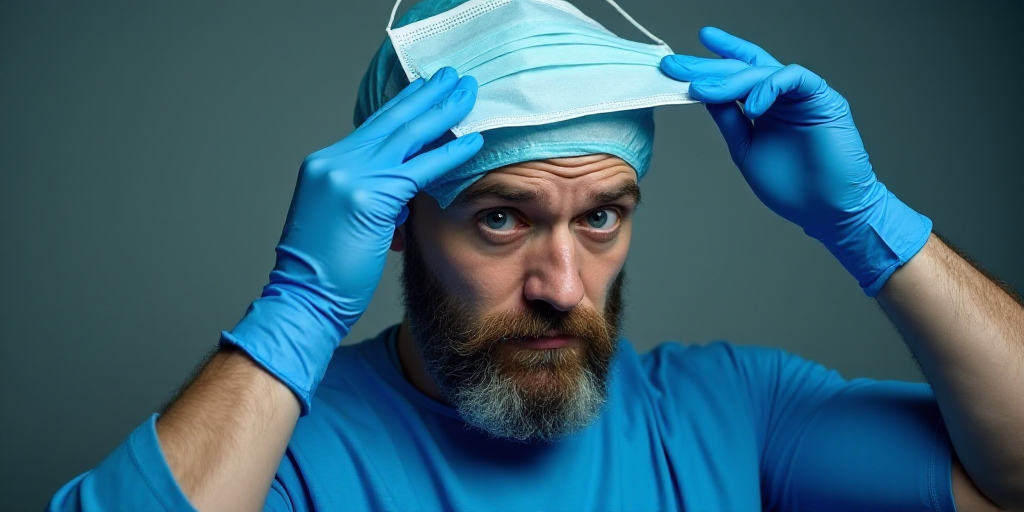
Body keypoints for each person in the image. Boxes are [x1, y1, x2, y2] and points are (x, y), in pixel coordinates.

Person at [48, 0, 1023, 511]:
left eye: (601, 217)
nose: (562, 287)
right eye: (500, 220)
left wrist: (865, 220)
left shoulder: (733, 414)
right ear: (396, 218)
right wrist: (294, 313)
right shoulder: (289, 449)